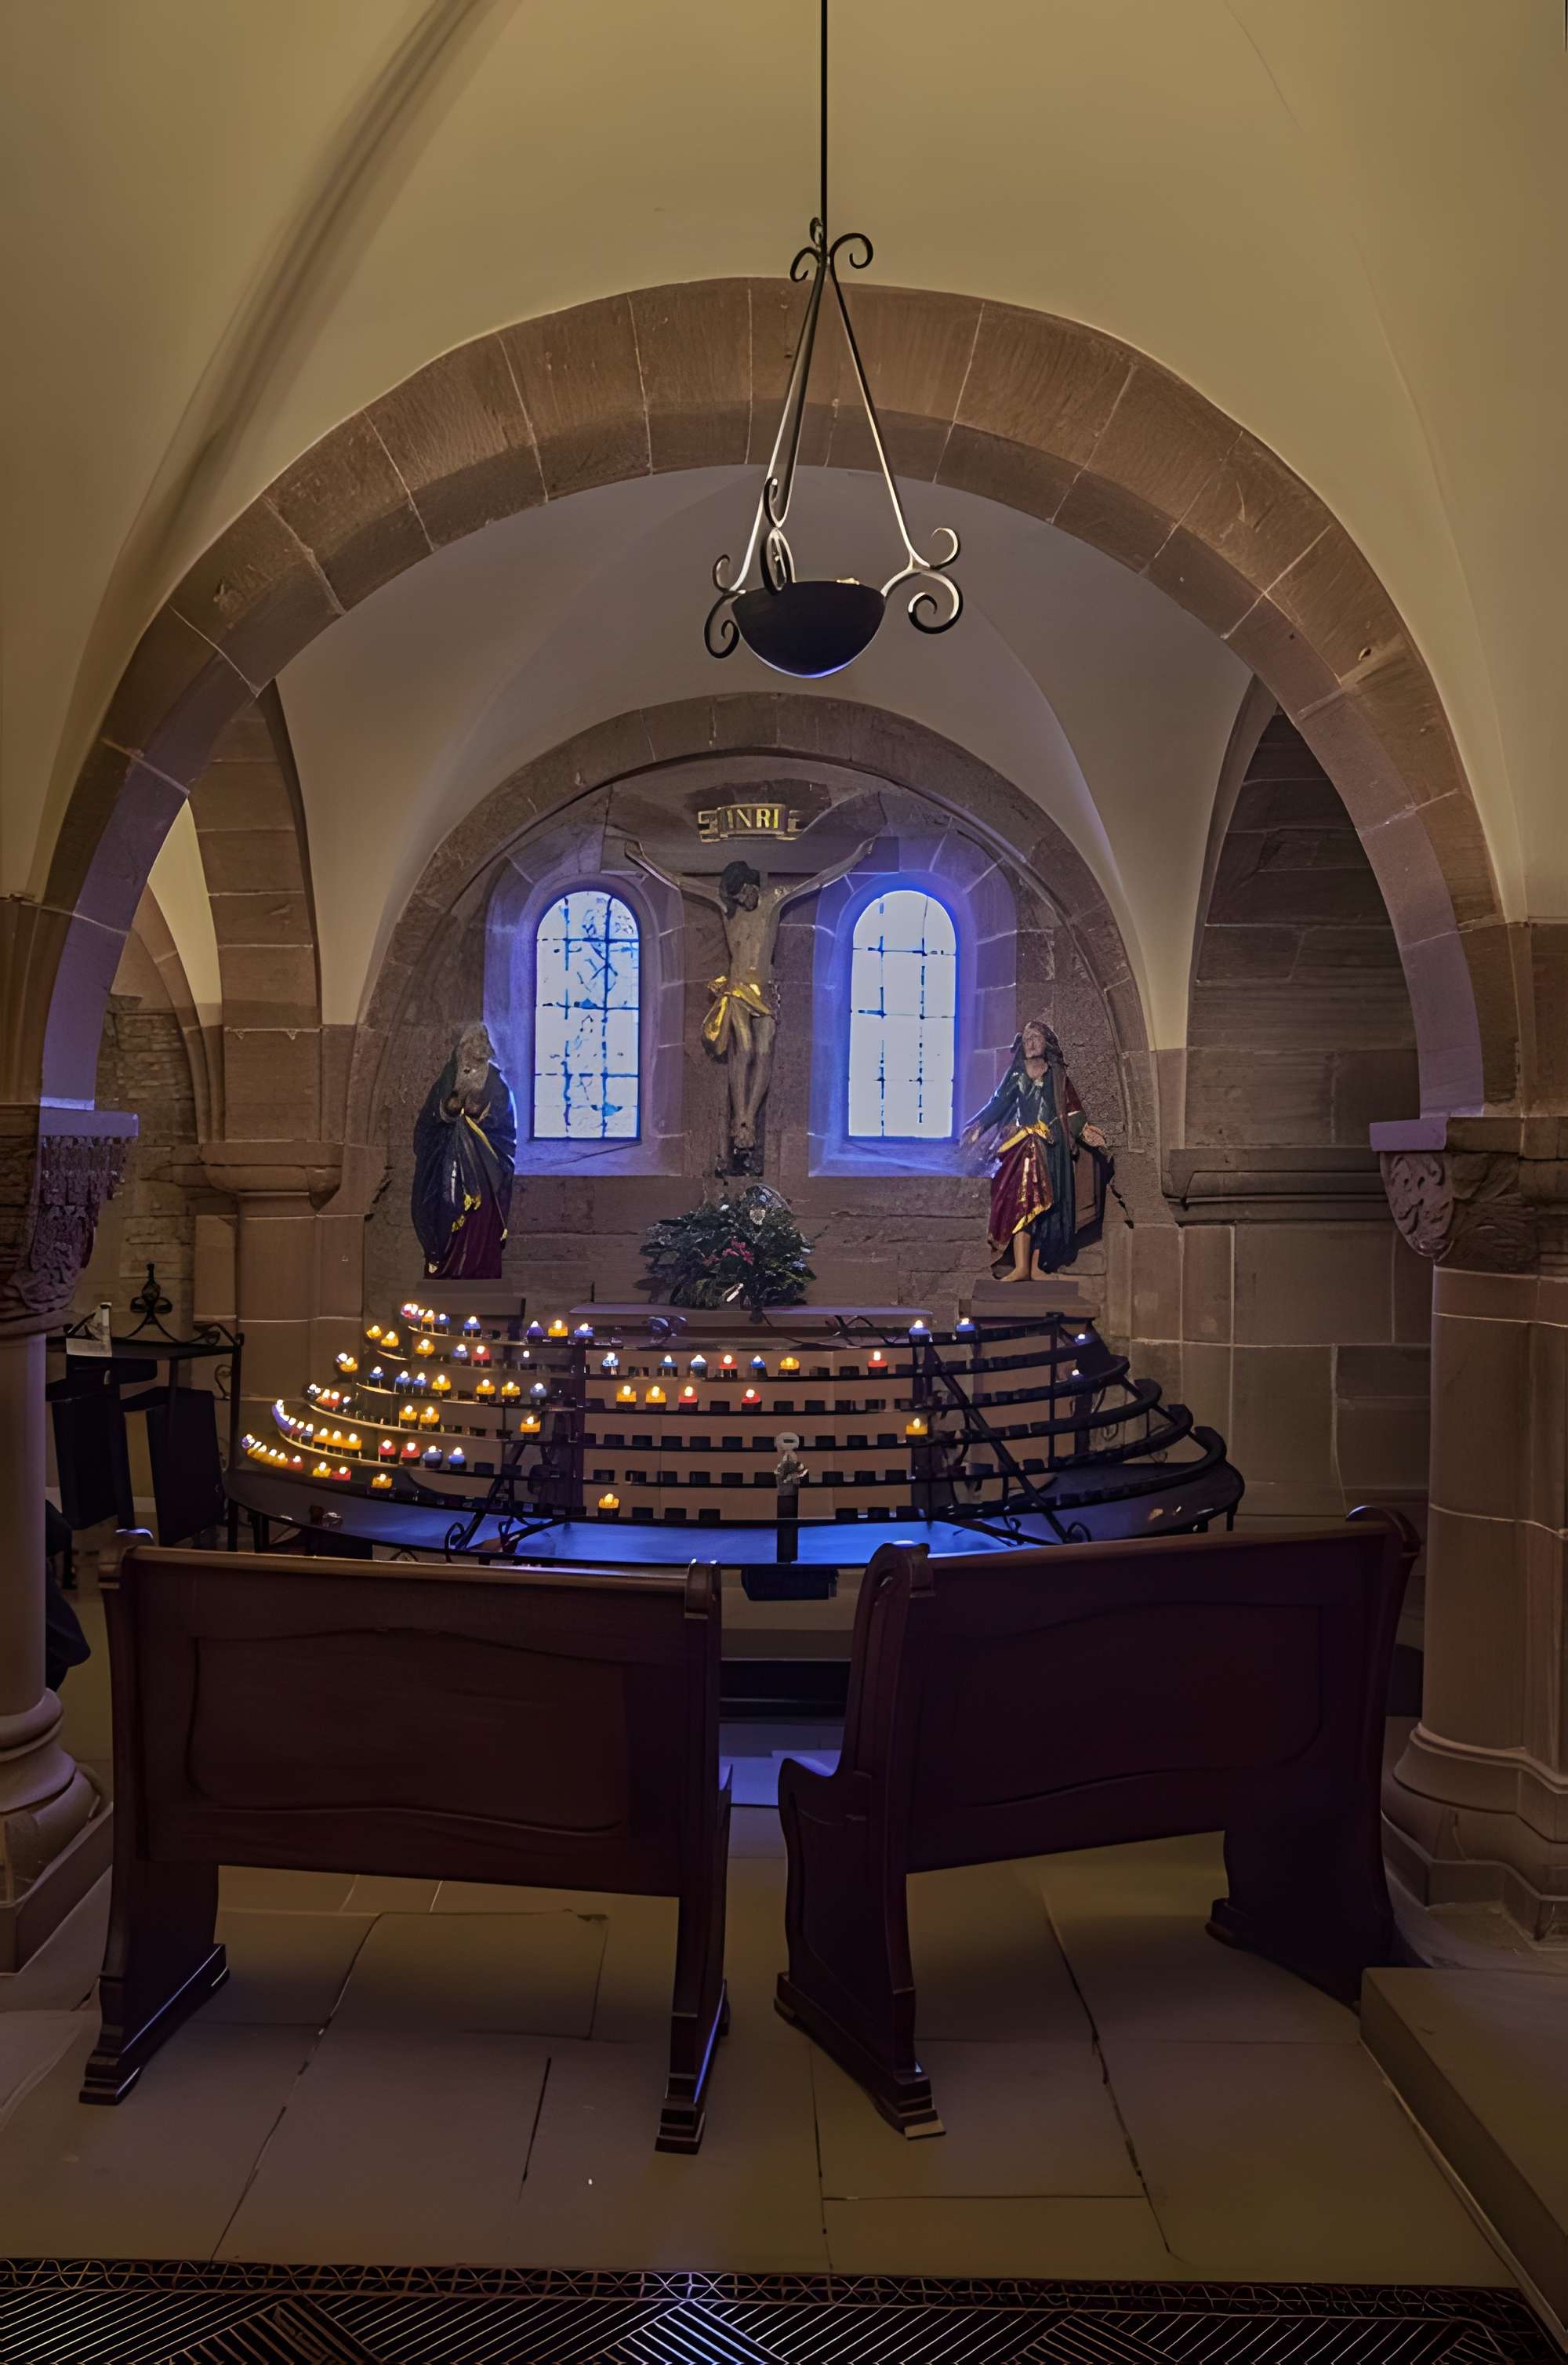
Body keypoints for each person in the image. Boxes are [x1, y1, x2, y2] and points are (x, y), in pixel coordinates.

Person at [626, 835, 874, 1164]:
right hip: (737, 989)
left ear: (753, 883)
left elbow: (819, 880)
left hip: (764, 990)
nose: (744, 900)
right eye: (738, 896)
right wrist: (644, 859)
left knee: (765, 1049)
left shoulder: (773, 901)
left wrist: (856, 855)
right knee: (742, 1048)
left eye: (746, 892)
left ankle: (750, 1115)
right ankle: (740, 1117)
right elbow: (681, 882)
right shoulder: (729, 910)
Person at [962, 1019, 1109, 1280]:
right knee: (1023, 1203)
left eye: (1035, 1038)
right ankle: (1020, 1266)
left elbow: (1071, 1109)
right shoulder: (1017, 1075)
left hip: (1052, 1148)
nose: (1030, 1043)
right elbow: (998, 1104)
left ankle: (1038, 1266)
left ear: (1046, 1043)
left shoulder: (1057, 1076)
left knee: (1048, 1208)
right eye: (1026, 1039)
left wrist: (1084, 1130)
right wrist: (979, 1126)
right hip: (1022, 1149)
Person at [410, 1023, 517, 1280]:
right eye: (469, 1047)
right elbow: (429, 1121)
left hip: (484, 1170)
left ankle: (478, 1269)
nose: (474, 1053)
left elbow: (505, 1128)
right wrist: (448, 1109)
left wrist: (480, 1116)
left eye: (480, 1047)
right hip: (449, 1163)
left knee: (480, 1220)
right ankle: (445, 1264)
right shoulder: (450, 1075)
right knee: (447, 1209)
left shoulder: (496, 1083)